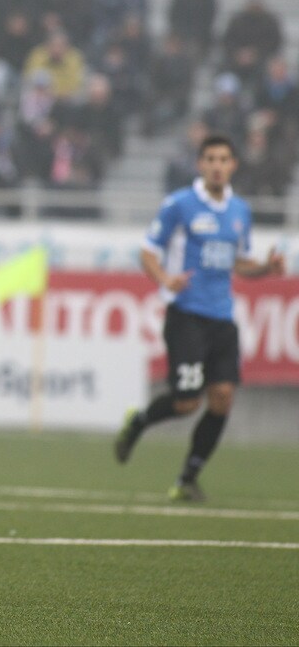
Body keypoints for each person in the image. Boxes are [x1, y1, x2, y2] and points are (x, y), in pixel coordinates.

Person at [115, 133, 285, 501]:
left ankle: (187, 478)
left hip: (222, 318)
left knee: (222, 397)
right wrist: (165, 279)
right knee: (186, 403)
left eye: (224, 159)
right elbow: (147, 251)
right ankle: (139, 422)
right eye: (210, 159)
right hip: (186, 316)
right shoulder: (179, 205)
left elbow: (239, 262)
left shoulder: (240, 211)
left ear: (233, 165)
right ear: (200, 164)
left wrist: (265, 268)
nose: (217, 166)